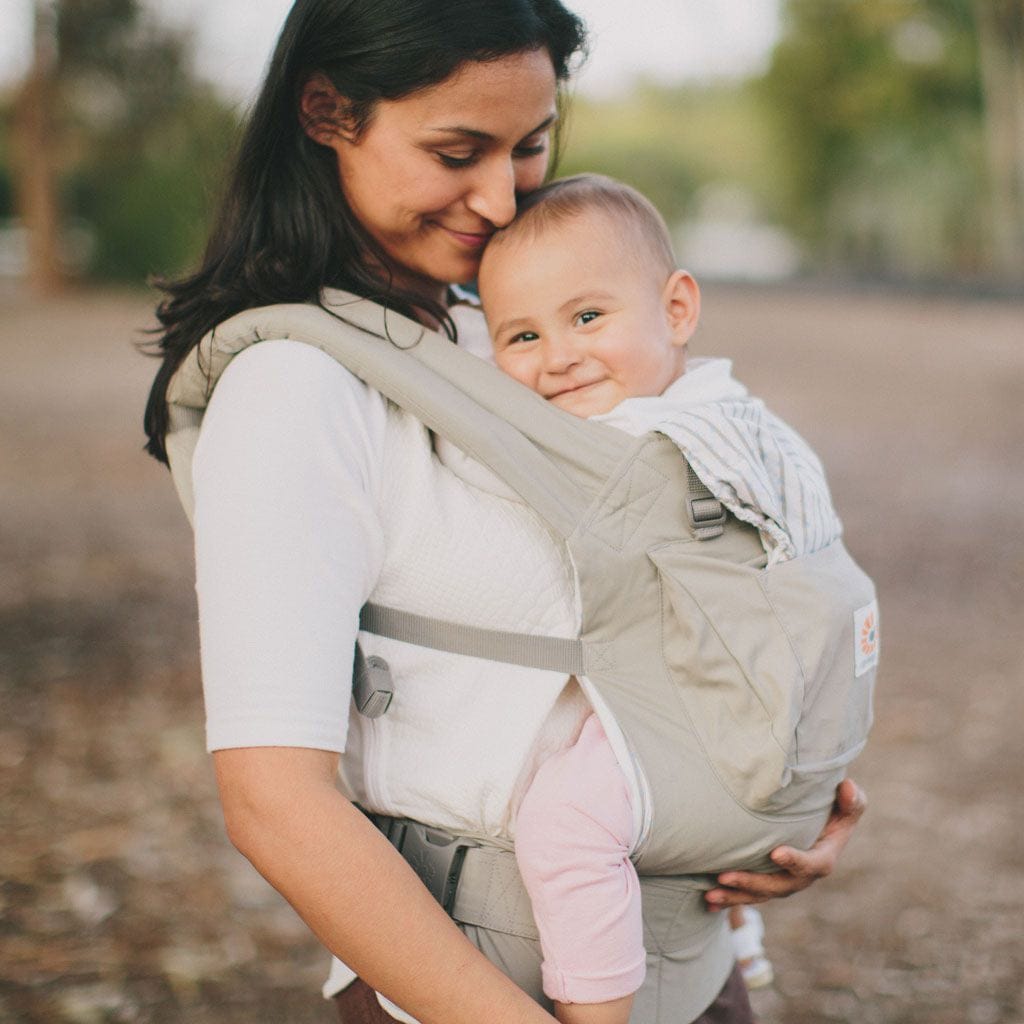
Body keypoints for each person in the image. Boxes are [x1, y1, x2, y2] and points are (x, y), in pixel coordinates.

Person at [142, 3, 867, 1023]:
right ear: (325, 112)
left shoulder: (515, 328)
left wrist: (789, 808)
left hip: (694, 962)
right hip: (493, 989)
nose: (498, 195)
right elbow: (276, 804)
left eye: (530, 146)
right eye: (456, 149)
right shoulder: (294, 392)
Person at [420, 172, 850, 1024]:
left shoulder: (640, 438)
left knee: (565, 821)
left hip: (703, 714)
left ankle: (598, 1014)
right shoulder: (741, 413)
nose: (558, 357)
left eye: (587, 318)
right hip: (775, 706)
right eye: (520, 335)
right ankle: (741, 952)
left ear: (678, 310)